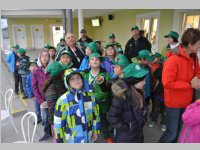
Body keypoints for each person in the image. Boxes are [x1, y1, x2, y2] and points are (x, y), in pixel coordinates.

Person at [159, 28, 200, 143]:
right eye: (198, 44)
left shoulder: (193, 56)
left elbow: (197, 71)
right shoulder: (172, 60)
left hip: (187, 102)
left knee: (178, 133)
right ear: (190, 44)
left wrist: (197, 79)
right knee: (171, 134)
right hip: (174, 103)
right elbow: (167, 83)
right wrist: (189, 84)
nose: (199, 47)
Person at [54, 68, 100, 143]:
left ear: (82, 79)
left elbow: (96, 115)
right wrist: (59, 139)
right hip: (72, 139)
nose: (76, 80)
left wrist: (95, 130)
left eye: (78, 78)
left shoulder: (90, 96)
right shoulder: (63, 100)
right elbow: (58, 122)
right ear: (68, 83)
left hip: (88, 136)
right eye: (72, 79)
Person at [108, 63, 148, 143]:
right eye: (142, 80)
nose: (145, 82)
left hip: (138, 133)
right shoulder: (121, 97)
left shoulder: (139, 92)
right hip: (125, 137)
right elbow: (112, 117)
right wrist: (127, 127)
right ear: (133, 81)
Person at [82, 53, 113, 143]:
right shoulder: (84, 74)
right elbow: (83, 90)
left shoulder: (105, 74)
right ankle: (89, 137)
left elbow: (106, 92)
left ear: (100, 62)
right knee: (89, 120)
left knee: (103, 120)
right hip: (88, 105)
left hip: (102, 105)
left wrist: (92, 98)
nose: (95, 61)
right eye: (92, 59)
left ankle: (107, 136)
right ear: (89, 63)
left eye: (97, 59)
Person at [43, 62, 68, 142]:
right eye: (64, 71)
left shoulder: (60, 85)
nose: (65, 73)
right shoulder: (51, 90)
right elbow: (53, 110)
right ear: (60, 74)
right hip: (57, 123)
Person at [32, 51, 53, 142]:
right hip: (42, 100)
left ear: (49, 58)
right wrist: (41, 101)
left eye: (46, 56)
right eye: (42, 56)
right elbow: (34, 86)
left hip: (52, 99)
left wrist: (53, 99)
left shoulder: (53, 69)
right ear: (40, 58)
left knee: (53, 117)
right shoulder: (36, 70)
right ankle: (47, 133)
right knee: (44, 117)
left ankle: (55, 132)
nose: (44, 58)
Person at [148, 53, 166, 132]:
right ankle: (153, 120)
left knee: (165, 109)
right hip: (159, 91)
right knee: (155, 107)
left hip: (168, 93)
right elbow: (156, 74)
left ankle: (163, 123)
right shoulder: (161, 67)